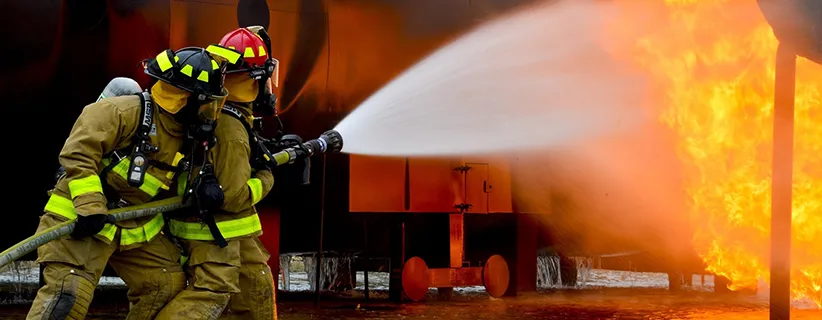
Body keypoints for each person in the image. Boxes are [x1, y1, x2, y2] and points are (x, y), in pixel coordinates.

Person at [27, 46, 232, 320]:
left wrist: (204, 185)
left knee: (164, 285)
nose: (211, 113)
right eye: (208, 103)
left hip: (133, 227)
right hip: (80, 220)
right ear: (186, 98)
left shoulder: (190, 136)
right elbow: (78, 153)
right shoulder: (121, 112)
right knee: (68, 295)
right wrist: (90, 206)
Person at [158, 26, 279, 320]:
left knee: (256, 288)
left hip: (231, 231)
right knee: (211, 293)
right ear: (256, 78)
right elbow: (236, 196)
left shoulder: (220, 112)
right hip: (216, 230)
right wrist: (267, 175)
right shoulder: (231, 128)